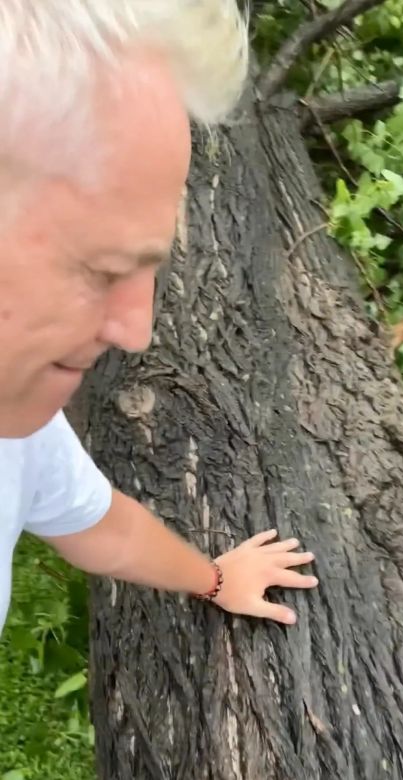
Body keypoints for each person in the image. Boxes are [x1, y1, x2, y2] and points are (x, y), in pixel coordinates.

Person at [0, 0, 318, 638]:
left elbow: (99, 525)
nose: (133, 332)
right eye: (100, 268)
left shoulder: (18, 426)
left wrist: (217, 579)